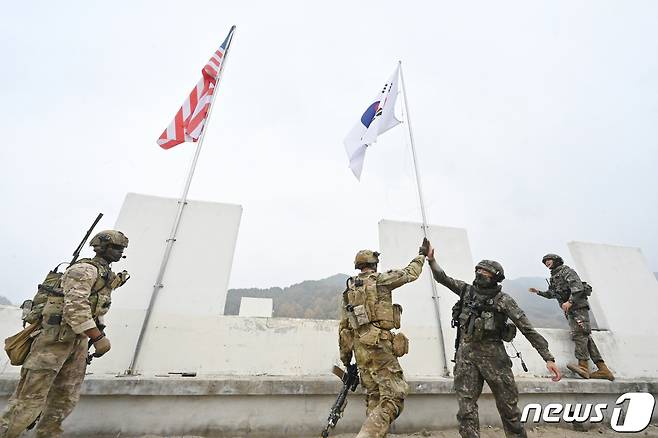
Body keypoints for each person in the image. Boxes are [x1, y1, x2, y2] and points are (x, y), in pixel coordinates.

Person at [0, 230, 130, 438]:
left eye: (121, 249)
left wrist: (95, 332)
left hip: (76, 342)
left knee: (64, 399)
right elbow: (75, 307)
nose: (119, 252)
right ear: (102, 247)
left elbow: (94, 306)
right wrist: (98, 338)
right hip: (52, 341)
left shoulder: (105, 273)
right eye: (115, 248)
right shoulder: (83, 270)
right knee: (29, 400)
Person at [425, 241, 561, 438]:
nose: (480, 274)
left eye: (486, 272)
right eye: (478, 270)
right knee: (466, 410)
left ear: (495, 277)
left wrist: (548, 358)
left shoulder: (503, 300)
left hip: (494, 359)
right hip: (466, 359)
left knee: (509, 410)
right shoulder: (467, 291)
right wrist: (432, 260)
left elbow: (527, 329)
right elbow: (442, 278)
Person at [338, 245, 427, 438]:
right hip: (379, 346)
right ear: (374, 264)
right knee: (394, 397)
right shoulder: (380, 280)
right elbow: (410, 273)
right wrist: (421, 255)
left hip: (360, 350)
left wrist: (346, 359)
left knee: (375, 397)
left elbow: (344, 329)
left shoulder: (348, 291)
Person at [529, 253, 614, 380]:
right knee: (585, 336)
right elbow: (552, 293)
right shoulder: (554, 277)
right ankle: (603, 369)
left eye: (549, 260)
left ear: (556, 260)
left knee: (579, 335)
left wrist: (570, 302)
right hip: (570, 310)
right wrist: (539, 292)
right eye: (545, 261)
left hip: (578, 307)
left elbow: (578, 288)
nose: (547, 262)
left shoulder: (567, 271)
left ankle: (583, 366)